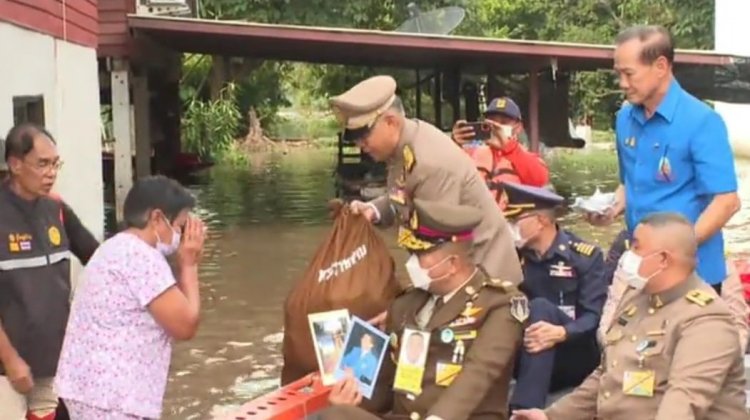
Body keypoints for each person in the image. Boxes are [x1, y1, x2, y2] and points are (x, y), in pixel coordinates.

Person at [512, 212, 748, 420]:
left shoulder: (706, 321)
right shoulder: (637, 298)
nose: (627, 256)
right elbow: (608, 374)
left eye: (636, 247)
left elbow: (683, 402)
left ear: (663, 259)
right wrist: (551, 416)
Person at [320, 199, 526, 420]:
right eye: (411, 254)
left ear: (453, 263)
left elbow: (480, 372)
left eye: (420, 256)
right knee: (335, 415)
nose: (412, 264)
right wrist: (352, 397)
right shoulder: (406, 303)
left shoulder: (499, 304)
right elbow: (386, 384)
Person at [585, 25, 740, 294]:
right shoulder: (625, 119)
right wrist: (609, 210)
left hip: (692, 271)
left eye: (629, 73)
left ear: (660, 66)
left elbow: (727, 202)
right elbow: (628, 183)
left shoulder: (702, 121)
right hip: (641, 267)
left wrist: (677, 248)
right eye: (618, 74)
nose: (622, 83)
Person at [330, 75, 523, 287]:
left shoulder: (430, 162)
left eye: (364, 137)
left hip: (484, 279)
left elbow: (440, 253)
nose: (361, 146)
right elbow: (404, 197)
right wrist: (373, 210)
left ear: (391, 122)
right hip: (452, 267)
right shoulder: (406, 143)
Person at [54, 175, 205, 419]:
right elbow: (186, 325)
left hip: (84, 394)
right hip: (113, 402)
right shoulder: (142, 257)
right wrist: (189, 265)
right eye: (179, 226)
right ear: (157, 218)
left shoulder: (112, 247)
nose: (180, 235)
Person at [0, 124, 99, 420]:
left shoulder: (55, 210)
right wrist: (10, 359)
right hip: (10, 373)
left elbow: (99, 259)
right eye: (42, 164)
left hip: (56, 362)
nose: (51, 172)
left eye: (55, 164)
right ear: (15, 164)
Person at [502, 182, 607, 411]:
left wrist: (561, 332)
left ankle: (523, 409)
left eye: (515, 220)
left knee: (540, 307)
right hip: (528, 350)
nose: (510, 227)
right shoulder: (511, 255)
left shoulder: (584, 256)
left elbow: (593, 317)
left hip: (572, 352)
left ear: (540, 221)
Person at [451, 97, 549, 209]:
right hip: (473, 219)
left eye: (504, 122)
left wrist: (509, 147)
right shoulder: (470, 152)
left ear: (518, 127)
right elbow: (443, 178)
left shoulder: (527, 158)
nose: (496, 127)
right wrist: (453, 145)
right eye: (492, 121)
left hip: (511, 221)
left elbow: (540, 180)